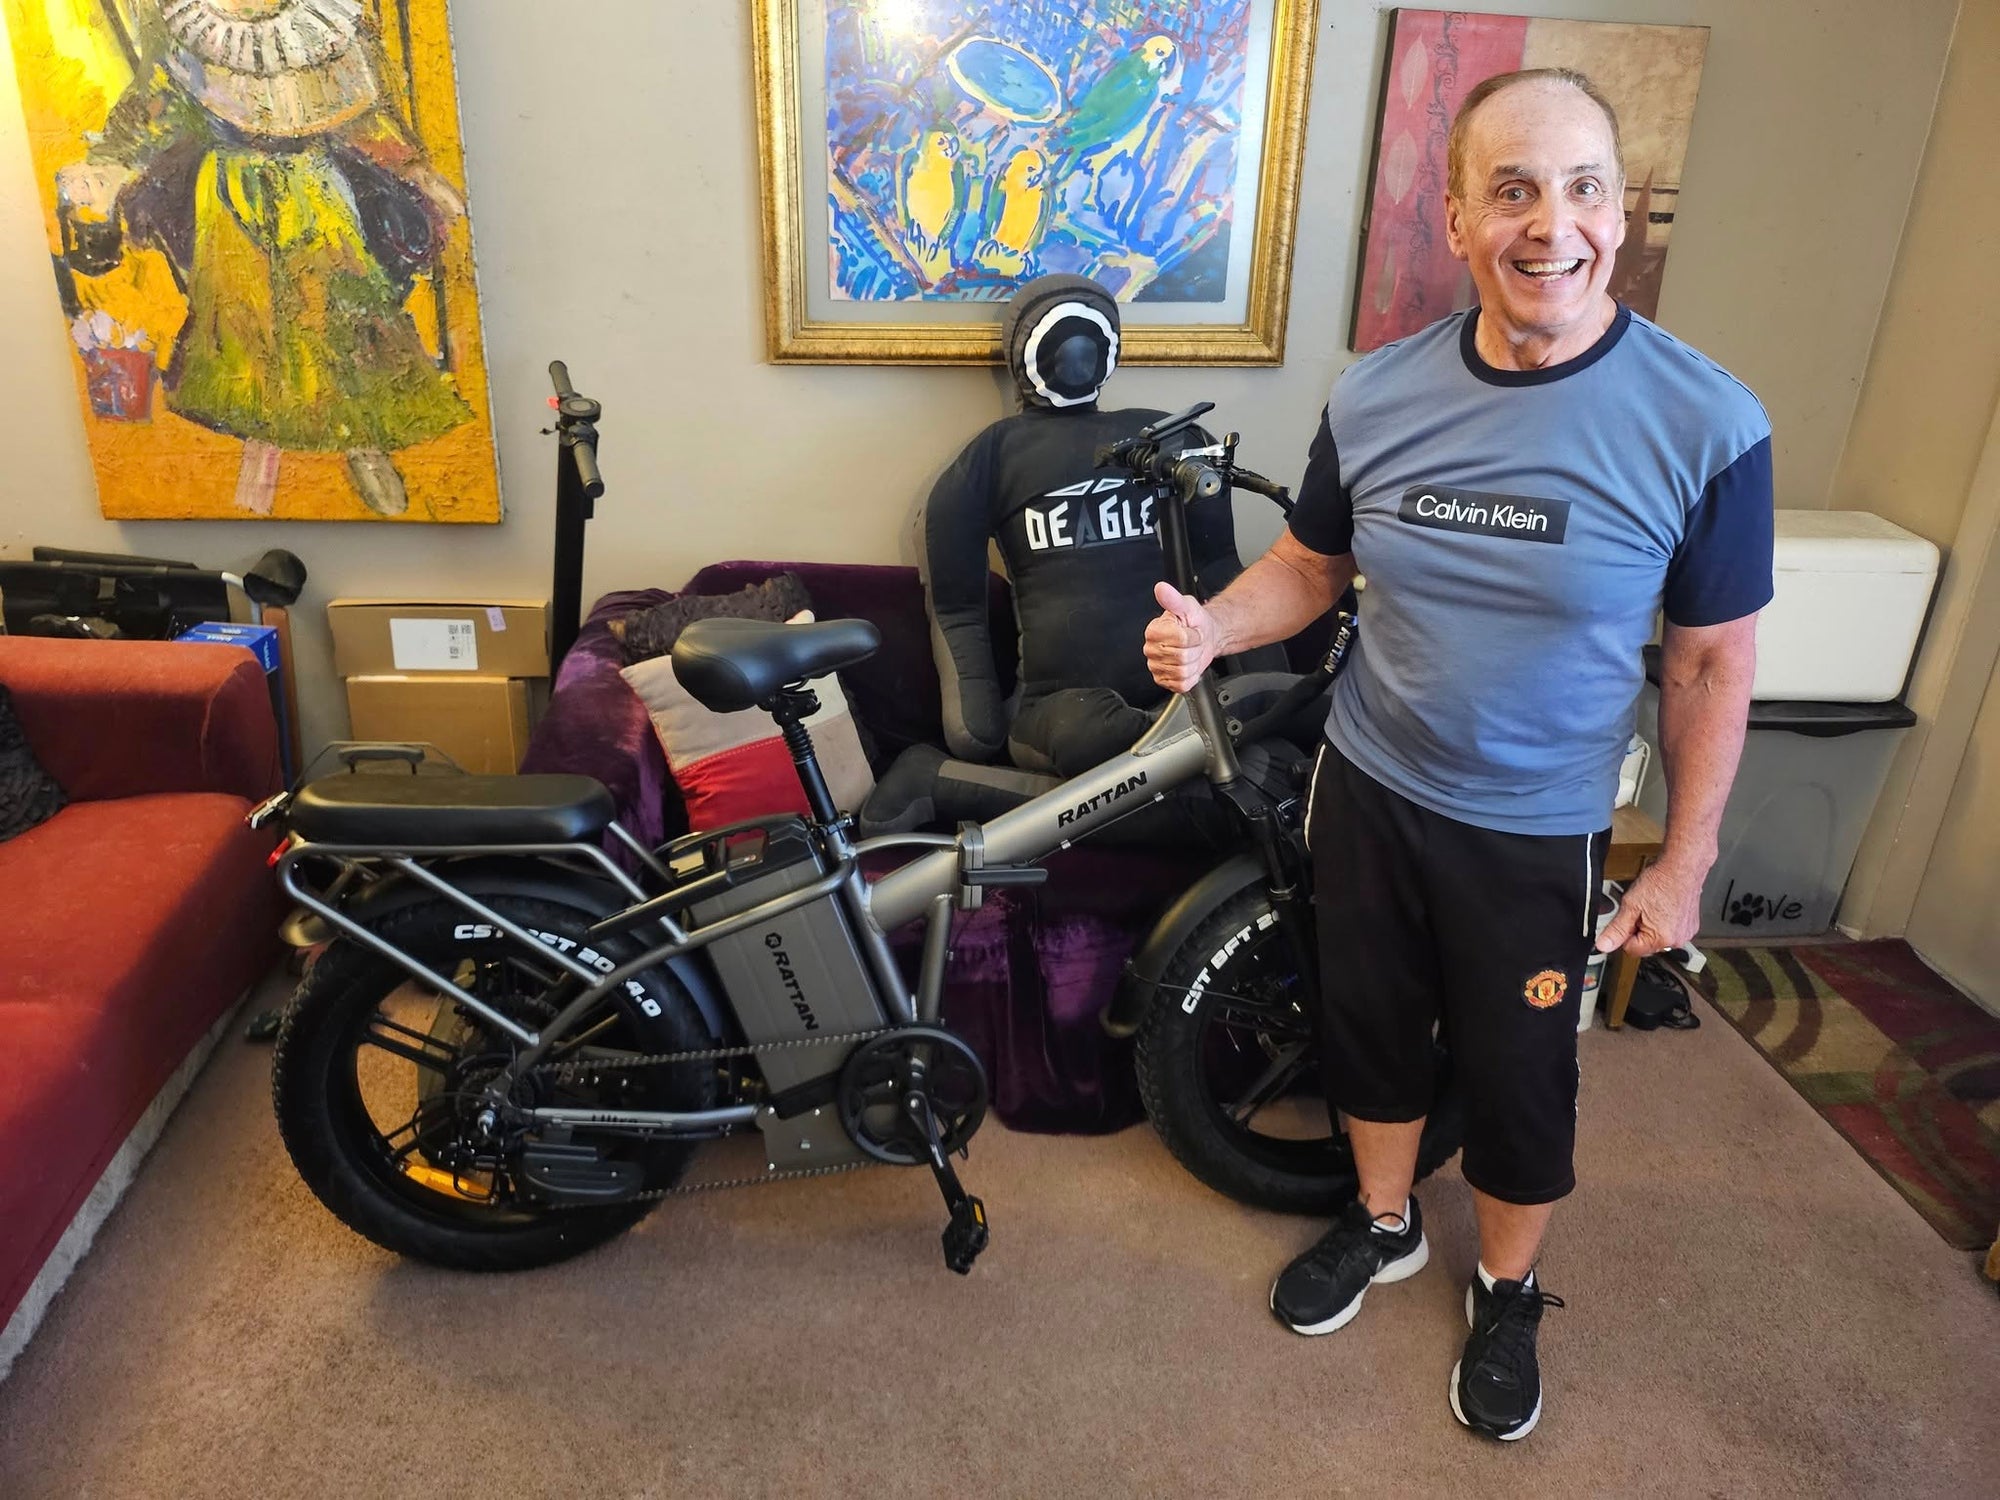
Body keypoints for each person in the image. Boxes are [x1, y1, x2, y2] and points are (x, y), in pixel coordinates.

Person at [1143, 68, 1771, 1442]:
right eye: (1514, 191)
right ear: (1458, 219)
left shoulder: (1708, 424)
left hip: (1538, 822)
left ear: (1621, 210)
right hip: (1369, 783)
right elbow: (1310, 567)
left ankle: (1506, 1286)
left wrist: (1684, 861)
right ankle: (1384, 1223)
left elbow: (1712, 662)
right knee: (1365, 1028)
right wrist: (1214, 629)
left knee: (1520, 1073)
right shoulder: (1378, 394)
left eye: (1585, 188)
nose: (1553, 225)